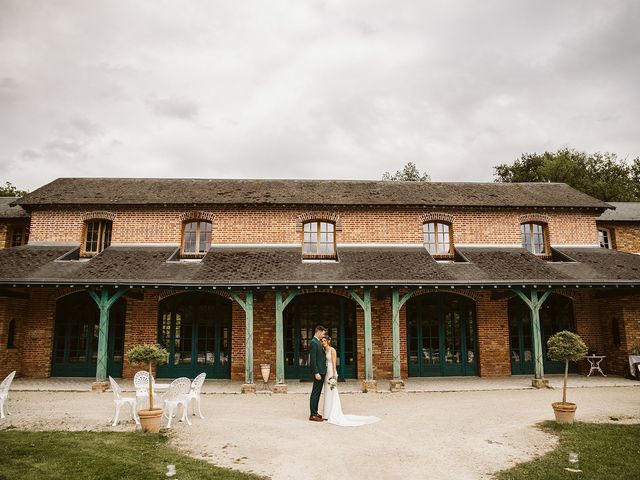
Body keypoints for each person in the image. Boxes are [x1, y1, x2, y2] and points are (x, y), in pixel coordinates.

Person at [321, 335, 380, 427]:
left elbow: (333, 363)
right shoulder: (324, 350)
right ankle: (326, 414)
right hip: (325, 372)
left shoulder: (332, 350)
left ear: (328, 341)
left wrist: (333, 375)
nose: (323, 342)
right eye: (322, 341)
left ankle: (333, 413)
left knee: (332, 391)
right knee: (327, 392)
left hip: (331, 371)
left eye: (324, 341)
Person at [308, 325, 327, 421]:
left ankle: (315, 412)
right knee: (315, 393)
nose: (323, 336)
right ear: (318, 332)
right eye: (323, 333)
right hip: (318, 372)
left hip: (322, 371)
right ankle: (312, 414)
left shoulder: (317, 342)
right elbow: (313, 360)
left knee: (318, 393)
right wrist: (316, 372)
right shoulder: (313, 342)